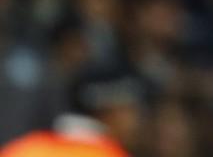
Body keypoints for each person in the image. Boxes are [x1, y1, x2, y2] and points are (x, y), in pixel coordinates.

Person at [0, 61, 143, 157]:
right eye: (130, 109)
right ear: (111, 110)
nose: (137, 120)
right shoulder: (110, 153)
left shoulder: (22, 149)